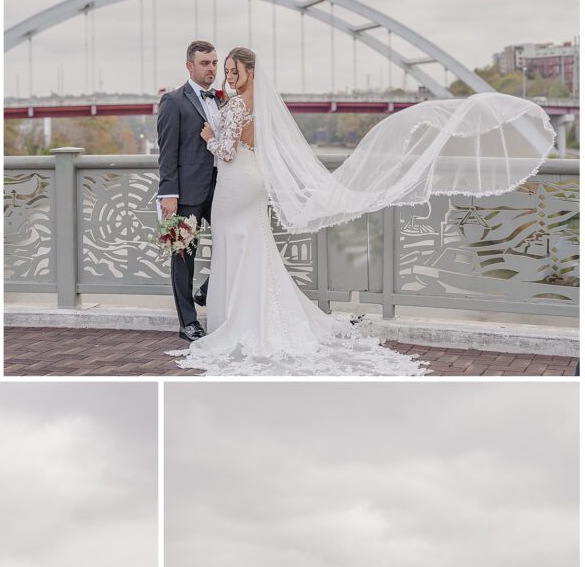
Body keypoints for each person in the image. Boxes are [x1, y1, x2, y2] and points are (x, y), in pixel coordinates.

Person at [172, 47, 555, 376]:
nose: (228, 76)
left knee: (233, 249)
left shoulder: (237, 104)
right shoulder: (257, 103)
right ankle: (264, 315)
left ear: (248, 72)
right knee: (254, 248)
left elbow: (225, 152)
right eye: (226, 71)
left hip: (235, 183)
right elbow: (253, 146)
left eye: (233, 71)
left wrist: (209, 139)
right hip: (254, 181)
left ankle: (237, 321)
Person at [156, 41, 220, 341]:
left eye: (214, 63)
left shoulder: (220, 100)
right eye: (205, 63)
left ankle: (206, 290)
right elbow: (167, 153)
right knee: (184, 255)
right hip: (186, 192)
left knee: (234, 241)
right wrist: (169, 194)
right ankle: (188, 323)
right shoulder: (173, 101)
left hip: (221, 189)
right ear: (189, 66)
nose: (211, 69)